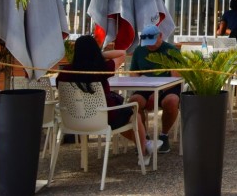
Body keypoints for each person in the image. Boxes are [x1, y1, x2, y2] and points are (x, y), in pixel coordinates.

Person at [59, 35, 162, 164]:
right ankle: (144, 152)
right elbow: (122, 54)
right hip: (104, 118)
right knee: (133, 115)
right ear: (95, 50)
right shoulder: (102, 68)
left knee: (125, 116)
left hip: (73, 119)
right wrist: (99, 54)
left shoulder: (65, 72)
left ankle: (145, 143)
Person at [128, 24, 181, 154]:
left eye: (152, 42)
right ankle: (143, 137)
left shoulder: (172, 50)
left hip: (168, 86)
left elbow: (176, 77)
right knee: (134, 102)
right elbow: (134, 72)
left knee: (172, 101)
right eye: (147, 43)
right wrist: (140, 83)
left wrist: (158, 91)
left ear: (161, 36)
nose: (149, 46)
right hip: (145, 86)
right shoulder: (139, 51)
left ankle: (164, 135)